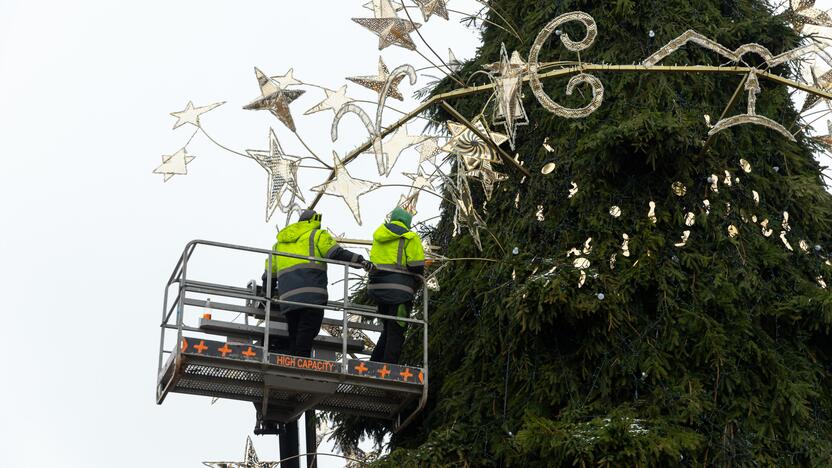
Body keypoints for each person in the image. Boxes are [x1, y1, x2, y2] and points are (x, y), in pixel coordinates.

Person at [264, 209, 372, 358]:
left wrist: (267, 296)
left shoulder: (278, 245)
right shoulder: (317, 235)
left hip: (288, 300)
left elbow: (268, 275)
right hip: (311, 297)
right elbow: (336, 253)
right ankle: (300, 365)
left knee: (295, 333)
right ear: (314, 221)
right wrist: (361, 261)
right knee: (308, 332)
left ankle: (293, 363)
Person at [368, 207, 426, 364]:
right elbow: (416, 266)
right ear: (407, 222)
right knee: (397, 331)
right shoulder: (410, 237)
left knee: (388, 330)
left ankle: (374, 364)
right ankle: (388, 370)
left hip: (378, 290)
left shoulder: (379, 236)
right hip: (400, 292)